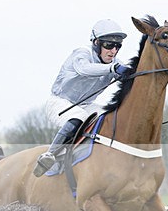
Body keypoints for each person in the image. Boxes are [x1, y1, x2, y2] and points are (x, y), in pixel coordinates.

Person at [33, 19, 131, 177]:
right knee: (79, 117)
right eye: (108, 45)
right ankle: (49, 155)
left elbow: (130, 73)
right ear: (96, 43)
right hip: (60, 102)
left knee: (109, 117)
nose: (113, 51)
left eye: (117, 46)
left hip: (85, 104)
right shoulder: (82, 53)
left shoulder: (114, 62)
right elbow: (84, 69)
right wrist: (113, 68)